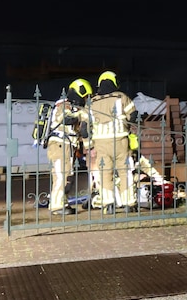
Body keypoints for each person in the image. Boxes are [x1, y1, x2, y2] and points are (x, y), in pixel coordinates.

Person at [88, 70, 139, 213]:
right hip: (120, 140)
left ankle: (108, 204)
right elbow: (133, 116)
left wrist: (89, 146)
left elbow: (85, 127)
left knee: (105, 173)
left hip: (101, 143)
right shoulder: (121, 97)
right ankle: (129, 203)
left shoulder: (91, 102)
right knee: (125, 171)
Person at [46, 78, 91, 215]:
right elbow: (66, 119)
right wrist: (81, 114)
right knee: (61, 175)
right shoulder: (63, 105)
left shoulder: (74, 108)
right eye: (85, 96)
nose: (86, 99)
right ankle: (56, 206)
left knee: (67, 175)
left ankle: (63, 202)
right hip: (59, 144)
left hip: (68, 146)